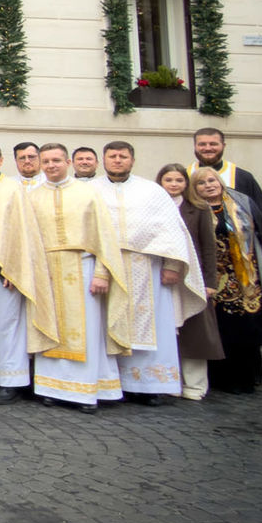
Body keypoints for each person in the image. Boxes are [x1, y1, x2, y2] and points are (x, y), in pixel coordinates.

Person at [94, 141, 208, 404]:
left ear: (133, 160)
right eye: (112, 156)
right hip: (107, 267)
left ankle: (149, 386)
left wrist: (172, 266)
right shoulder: (91, 189)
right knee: (106, 324)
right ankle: (113, 382)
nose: (118, 160)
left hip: (147, 267)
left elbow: (171, 231)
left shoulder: (152, 191)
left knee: (152, 325)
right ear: (104, 160)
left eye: (123, 156)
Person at [29, 144, 130, 413]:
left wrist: (101, 273)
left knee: (87, 329)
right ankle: (52, 387)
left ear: (68, 162)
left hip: (82, 267)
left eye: (56, 161)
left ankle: (86, 391)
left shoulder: (88, 194)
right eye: (46, 161)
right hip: (47, 270)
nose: (51, 166)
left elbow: (104, 236)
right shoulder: (33, 196)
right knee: (50, 328)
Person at [0, 142, 56, 404]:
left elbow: (22, 231)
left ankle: (11, 381)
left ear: (1, 160)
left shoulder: (11, 189)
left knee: (7, 325)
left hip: (4, 269)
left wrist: (14, 267)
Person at [193, 167, 262, 394]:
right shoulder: (195, 209)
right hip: (214, 279)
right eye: (201, 183)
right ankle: (220, 378)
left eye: (212, 180)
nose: (208, 185)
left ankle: (247, 377)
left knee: (247, 327)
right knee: (220, 328)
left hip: (245, 277)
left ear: (220, 182)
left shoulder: (242, 203)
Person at [156, 164, 222, 401]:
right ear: (160, 182)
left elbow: (208, 247)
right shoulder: (153, 207)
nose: (173, 184)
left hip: (191, 278)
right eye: (168, 180)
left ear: (186, 183)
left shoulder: (198, 208)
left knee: (194, 332)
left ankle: (195, 385)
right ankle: (169, 381)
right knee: (166, 332)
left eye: (178, 180)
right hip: (162, 277)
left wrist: (210, 281)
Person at [190, 128, 262, 281]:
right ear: (195, 146)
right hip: (202, 265)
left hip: (244, 264)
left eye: (213, 144)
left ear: (223, 146)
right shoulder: (185, 177)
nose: (207, 148)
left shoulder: (242, 178)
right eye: (202, 144)